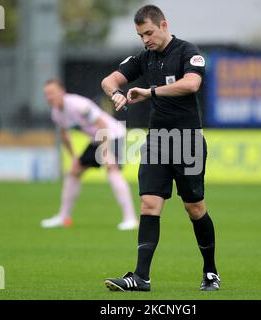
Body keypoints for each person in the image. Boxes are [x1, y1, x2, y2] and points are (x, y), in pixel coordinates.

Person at [101, 5, 220, 291]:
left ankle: (210, 271)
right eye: (141, 35)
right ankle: (141, 277)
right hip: (157, 142)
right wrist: (116, 94)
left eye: (149, 33)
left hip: (188, 141)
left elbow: (191, 84)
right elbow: (109, 81)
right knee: (149, 204)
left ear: (163, 25)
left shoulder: (187, 51)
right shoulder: (145, 58)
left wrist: (149, 92)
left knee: (194, 207)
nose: (145, 40)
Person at [41, 78, 139, 231]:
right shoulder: (56, 113)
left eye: (52, 93)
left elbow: (102, 124)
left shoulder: (78, 105)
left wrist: (106, 153)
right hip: (96, 140)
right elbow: (64, 135)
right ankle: (63, 216)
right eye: (46, 94)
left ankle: (130, 219)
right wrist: (74, 157)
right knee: (74, 171)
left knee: (112, 170)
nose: (49, 97)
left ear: (62, 91)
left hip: (112, 135)